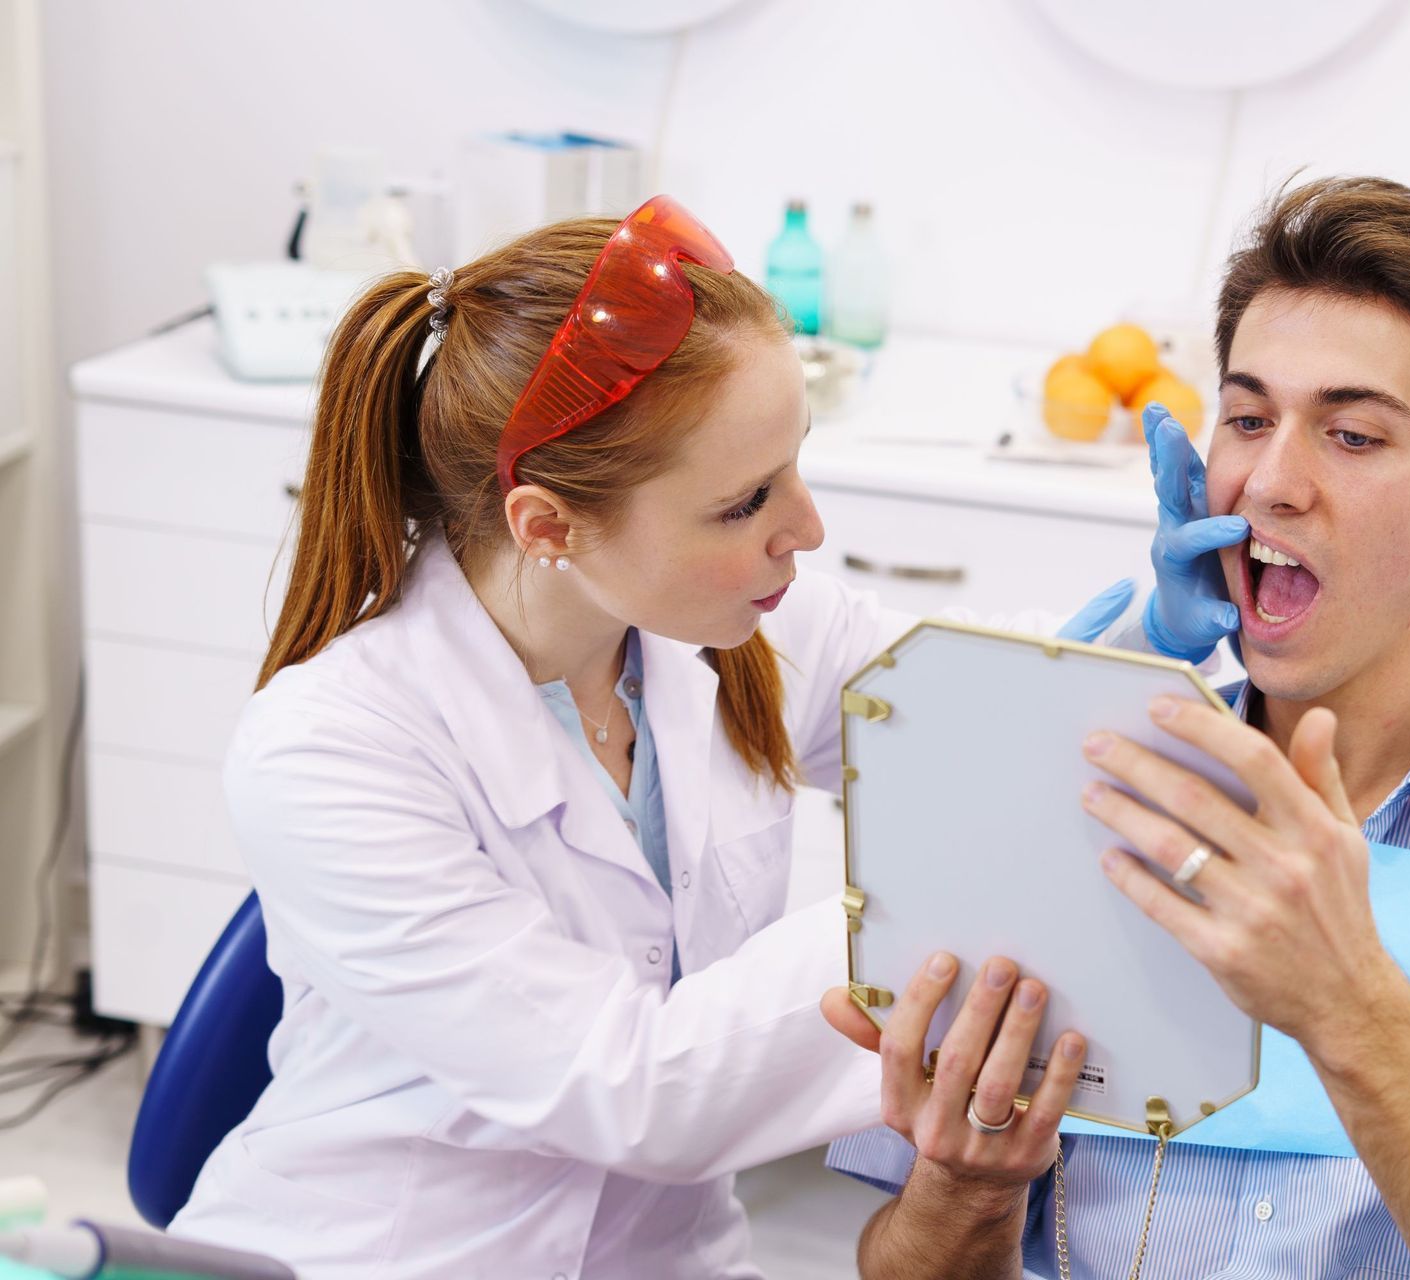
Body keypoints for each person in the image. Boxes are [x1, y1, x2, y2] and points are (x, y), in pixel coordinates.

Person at [166, 198, 1243, 1279]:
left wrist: (1153, 630)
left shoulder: (729, 632)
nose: (806, 528)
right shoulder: (330, 748)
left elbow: (959, 702)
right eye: (744, 502)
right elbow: (631, 1088)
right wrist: (942, 904)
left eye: (795, 465)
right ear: (549, 525)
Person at [823, 176, 1410, 1280]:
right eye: (1250, 417)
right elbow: (900, 1261)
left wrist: (1348, 1002)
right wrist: (964, 1187)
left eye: (1353, 434)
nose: (1270, 482)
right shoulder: (1073, 802)